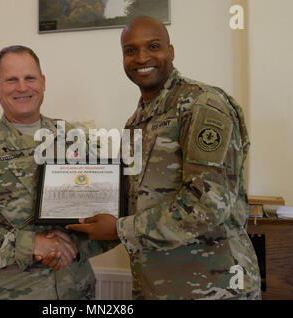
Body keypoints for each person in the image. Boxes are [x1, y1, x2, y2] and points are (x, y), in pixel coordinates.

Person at [67, 16, 261, 300]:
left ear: (171, 52)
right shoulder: (135, 124)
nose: (142, 57)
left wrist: (119, 229)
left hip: (213, 288)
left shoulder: (203, 105)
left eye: (153, 46)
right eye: (130, 50)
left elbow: (208, 205)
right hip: (154, 286)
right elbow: (129, 202)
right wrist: (67, 232)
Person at [0, 45, 109, 299]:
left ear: (43, 82)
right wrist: (32, 245)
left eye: (30, 78)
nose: (22, 87)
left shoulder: (73, 138)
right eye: (11, 80)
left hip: (76, 291)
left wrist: (70, 246)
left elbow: (104, 211)